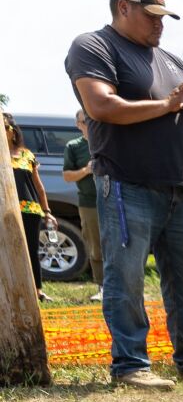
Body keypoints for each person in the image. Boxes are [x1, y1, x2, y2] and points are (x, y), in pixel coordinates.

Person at [65, 0, 183, 390]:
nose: (160, 25)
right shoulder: (93, 46)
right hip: (127, 185)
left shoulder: (173, 61)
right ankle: (130, 366)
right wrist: (168, 104)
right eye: (152, 15)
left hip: (181, 187)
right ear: (123, 8)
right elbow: (101, 106)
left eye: (164, 17)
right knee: (125, 277)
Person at [5, 112, 55, 302]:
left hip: (29, 210)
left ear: (13, 132)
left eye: (4, 127)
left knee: (31, 250)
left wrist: (48, 212)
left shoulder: (27, 155)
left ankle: (37, 291)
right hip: (5, 211)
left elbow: (39, 186)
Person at [61, 110, 105, 301]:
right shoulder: (73, 146)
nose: (89, 123)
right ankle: (103, 287)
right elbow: (67, 176)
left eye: (91, 120)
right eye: (85, 121)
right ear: (78, 125)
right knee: (96, 246)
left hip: (114, 200)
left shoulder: (107, 140)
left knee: (122, 243)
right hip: (89, 203)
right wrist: (86, 170)